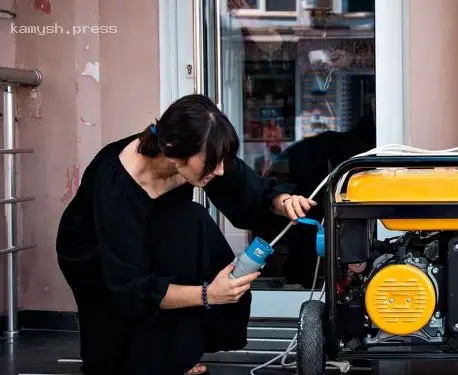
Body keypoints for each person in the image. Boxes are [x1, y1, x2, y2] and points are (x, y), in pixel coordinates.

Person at [55, 94, 316, 375]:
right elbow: (132, 286)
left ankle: (175, 353)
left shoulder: (197, 154)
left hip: (152, 231)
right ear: (174, 153)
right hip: (95, 251)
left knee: (191, 222)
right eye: (211, 163)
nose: (219, 170)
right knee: (119, 360)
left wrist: (282, 202)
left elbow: (247, 189)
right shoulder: (117, 182)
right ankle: (151, 357)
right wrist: (209, 294)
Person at [260, 108, 375, 288]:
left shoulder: (332, 147)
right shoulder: (340, 153)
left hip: (298, 209)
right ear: (364, 142)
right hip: (298, 210)